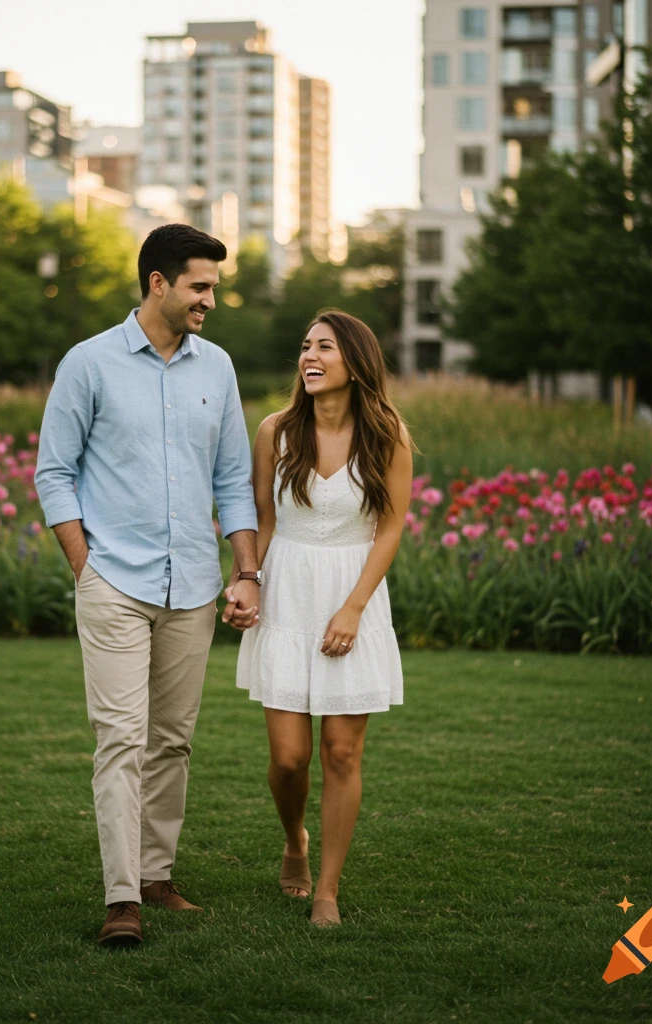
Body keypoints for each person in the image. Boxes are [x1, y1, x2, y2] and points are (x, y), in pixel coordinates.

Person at [34, 224, 260, 947]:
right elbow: (53, 472)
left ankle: (158, 875)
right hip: (114, 583)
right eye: (200, 286)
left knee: (172, 740)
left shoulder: (216, 368)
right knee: (121, 737)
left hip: (192, 583)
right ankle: (121, 897)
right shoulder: (89, 363)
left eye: (214, 288)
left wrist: (245, 569)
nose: (210, 301)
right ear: (157, 283)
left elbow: (233, 478)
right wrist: (84, 565)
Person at [233, 309, 414, 928]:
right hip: (287, 593)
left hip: (353, 592)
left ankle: (327, 891)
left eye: (325, 348)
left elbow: (390, 527)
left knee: (340, 752)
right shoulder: (275, 431)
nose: (309, 357)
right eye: (305, 347)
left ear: (355, 362)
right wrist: (247, 580)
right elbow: (262, 517)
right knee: (289, 758)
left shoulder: (387, 433)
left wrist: (354, 607)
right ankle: (294, 841)